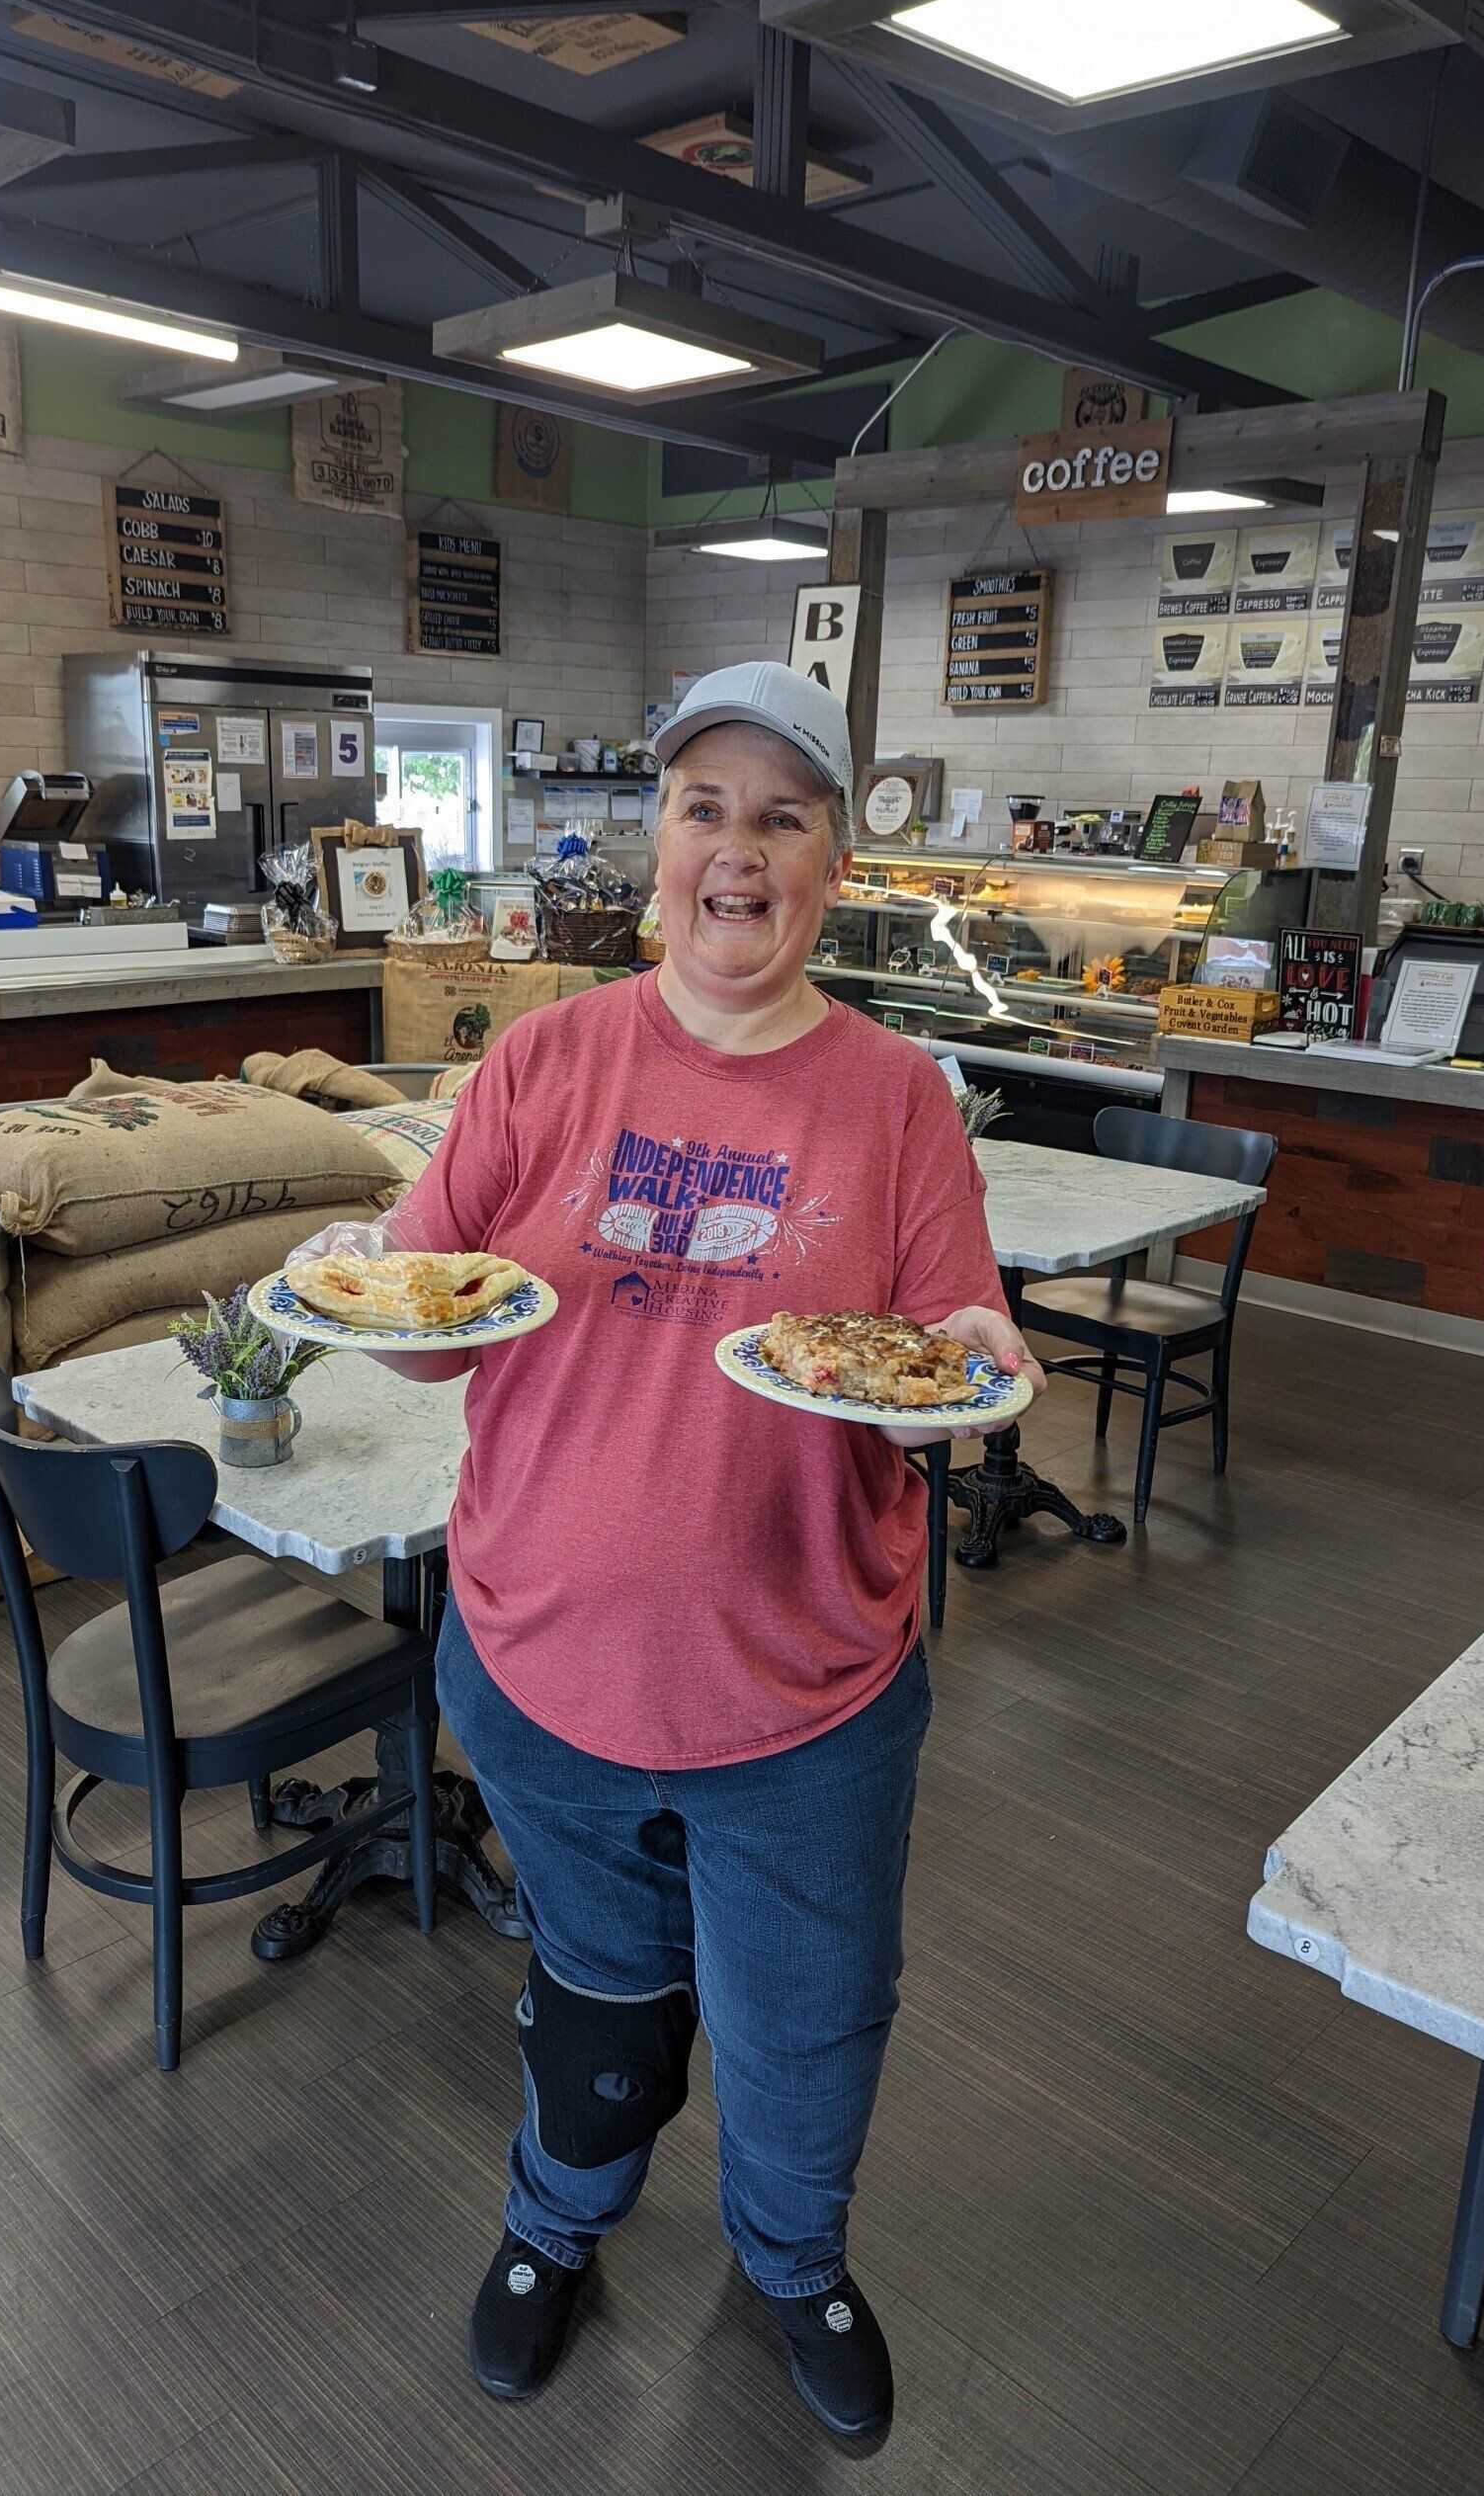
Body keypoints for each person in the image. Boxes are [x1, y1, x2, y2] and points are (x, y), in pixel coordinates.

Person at [375, 661, 1042, 2438]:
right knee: (593, 1998)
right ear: (655, 841)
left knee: (807, 2027)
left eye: (783, 815)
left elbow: (950, 1326)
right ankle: (553, 2220)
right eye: (704, 808)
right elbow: (421, 1306)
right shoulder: (544, 1056)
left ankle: (790, 2256)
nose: (737, 851)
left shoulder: (898, 1098)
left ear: (833, 863)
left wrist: (961, 1383)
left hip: (812, 1690)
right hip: (540, 1661)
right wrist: (369, 1303)